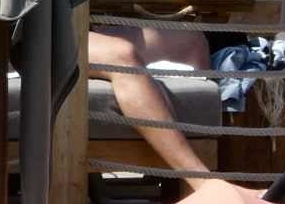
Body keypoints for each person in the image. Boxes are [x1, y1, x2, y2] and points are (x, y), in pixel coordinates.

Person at [89, 23, 212, 188]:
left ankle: (169, 182)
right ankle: (202, 182)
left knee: (192, 41)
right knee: (122, 56)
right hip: (57, 36)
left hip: (83, 25)